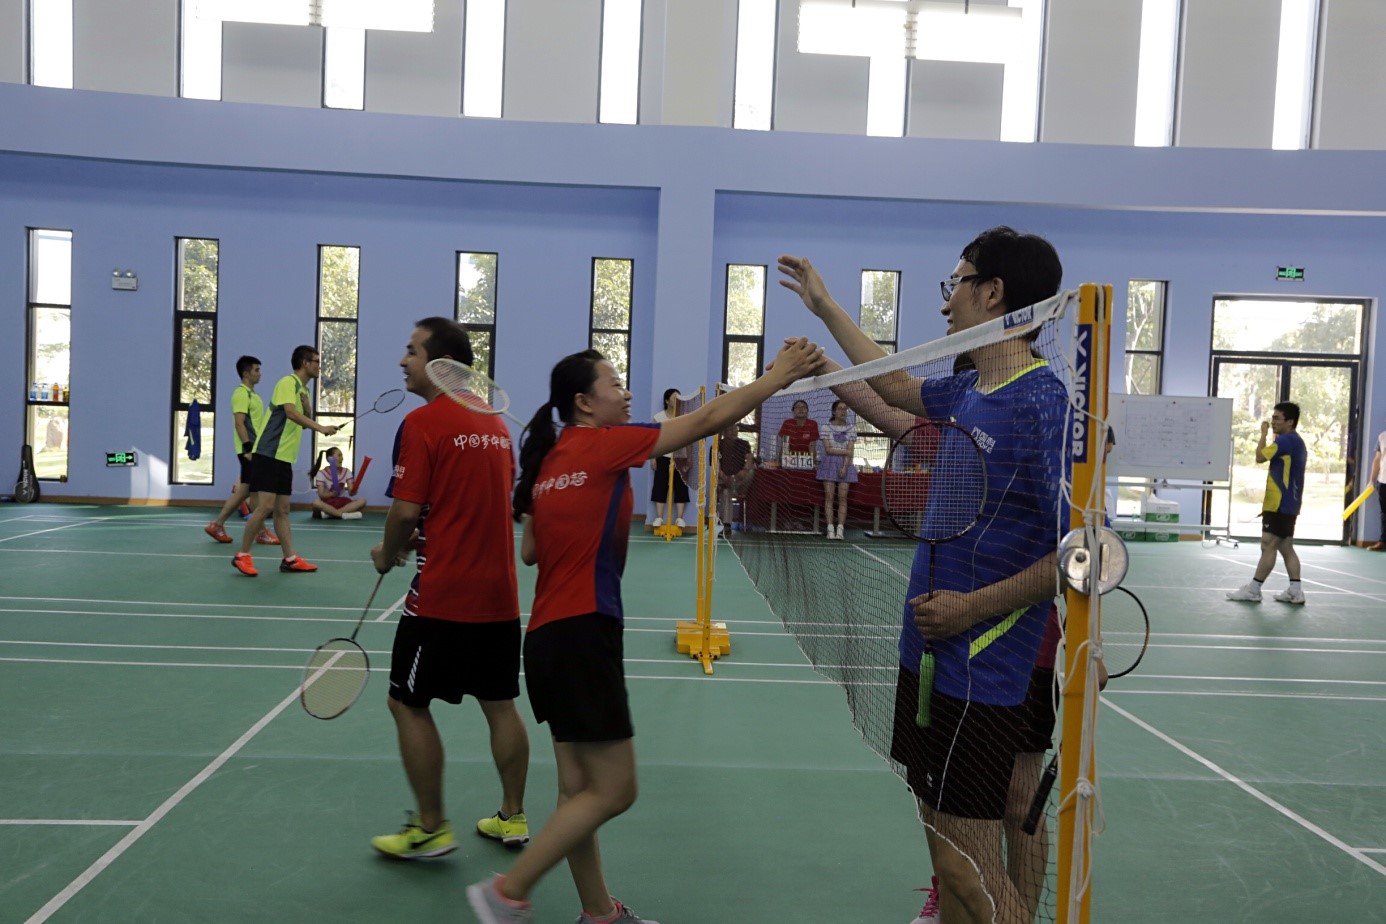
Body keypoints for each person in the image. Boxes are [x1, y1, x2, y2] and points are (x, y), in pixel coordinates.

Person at [466, 336, 822, 924]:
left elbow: (530, 553)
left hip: (547, 639)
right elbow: (706, 420)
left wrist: (549, 503)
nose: (626, 392)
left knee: (576, 790)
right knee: (614, 790)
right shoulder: (607, 445)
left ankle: (599, 915)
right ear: (585, 403)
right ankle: (507, 891)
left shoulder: (550, 461)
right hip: (584, 633)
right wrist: (777, 376)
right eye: (614, 383)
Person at [780, 226, 1068, 924]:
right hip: (931, 657)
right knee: (949, 857)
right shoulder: (970, 387)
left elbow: (1081, 552)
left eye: (955, 284)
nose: (946, 303)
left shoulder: (1042, 403)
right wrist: (826, 307)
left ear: (992, 294)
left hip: (983, 668)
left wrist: (971, 609)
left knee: (968, 866)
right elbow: (896, 384)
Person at [367, 317, 531, 861]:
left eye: (412, 351)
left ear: (440, 365)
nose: (402, 360)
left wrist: (389, 551)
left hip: (442, 596)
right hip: (499, 595)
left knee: (405, 702)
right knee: (500, 704)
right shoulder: (495, 426)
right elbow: (468, 507)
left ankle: (431, 827)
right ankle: (512, 816)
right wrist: (425, 534)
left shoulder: (422, 423)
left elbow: (404, 511)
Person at [232, 346, 340, 576]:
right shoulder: (287, 383)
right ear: (304, 363)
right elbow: (290, 413)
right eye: (316, 361)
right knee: (265, 507)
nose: (319, 366)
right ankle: (242, 555)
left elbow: (302, 420)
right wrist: (321, 427)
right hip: (268, 453)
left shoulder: (303, 390)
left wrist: (308, 407)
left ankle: (290, 559)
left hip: (284, 457)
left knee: (283, 510)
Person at [1226, 402, 1308, 604]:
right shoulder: (1295, 441)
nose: (1273, 422)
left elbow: (1260, 456)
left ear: (1290, 422)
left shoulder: (1286, 441)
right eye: (1272, 418)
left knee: (1268, 544)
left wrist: (1262, 434)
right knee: (1285, 546)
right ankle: (1295, 590)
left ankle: (1254, 590)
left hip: (1280, 504)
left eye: (1277, 418)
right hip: (1287, 504)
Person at [204, 355, 278, 546]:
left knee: (246, 490)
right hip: (249, 450)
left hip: (256, 448)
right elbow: (239, 423)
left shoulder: (254, 395)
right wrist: (248, 448)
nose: (260, 374)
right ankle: (260, 532)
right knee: (254, 492)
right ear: (246, 374)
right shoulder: (241, 394)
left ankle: (217, 525)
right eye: (256, 370)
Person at [649, 388, 690, 528]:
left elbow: (689, 438)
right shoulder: (658, 418)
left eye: (679, 397)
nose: (677, 400)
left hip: (680, 457)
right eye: (674, 398)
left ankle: (680, 518)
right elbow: (652, 439)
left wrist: (689, 457)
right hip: (663, 456)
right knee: (660, 485)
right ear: (667, 401)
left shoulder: (684, 417)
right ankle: (659, 518)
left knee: (681, 486)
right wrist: (653, 458)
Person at [817, 399, 857, 540]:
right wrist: (845, 451)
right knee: (829, 497)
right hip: (829, 464)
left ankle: (840, 529)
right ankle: (830, 529)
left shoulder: (851, 429)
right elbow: (828, 450)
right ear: (834, 412)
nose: (843, 411)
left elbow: (851, 451)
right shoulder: (826, 428)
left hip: (846, 465)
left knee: (842, 497)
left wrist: (845, 466)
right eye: (840, 409)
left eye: (845, 409)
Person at [715, 424, 755, 532]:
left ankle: (741, 492)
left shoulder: (744, 444)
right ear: (724, 432)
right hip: (725, 480)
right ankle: (726, 525)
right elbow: (715, 464)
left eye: (735, 429)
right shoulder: (718, 445)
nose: (733, 431)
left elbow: (749, 459)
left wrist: (744, 470)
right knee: (726, 492)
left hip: (739, 481)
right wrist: (723, 476)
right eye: (730, 429)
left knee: (751, 472)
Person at [311, 447, 366, 519]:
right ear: (329, 459)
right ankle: (343, 515)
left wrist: (353, 491)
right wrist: (331, 494)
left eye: (342, 456)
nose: (342, 458)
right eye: (339, 455)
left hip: (342, 503)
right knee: (316, 503)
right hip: (328, 504)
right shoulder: (321, 473)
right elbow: (321, 495)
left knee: (362, 501)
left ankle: (330, 514)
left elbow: (351, 493)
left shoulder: (347, 471)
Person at [776, 399, 819, 467]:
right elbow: (785, 446)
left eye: (803, 407)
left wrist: (812, 462)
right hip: (789, 460)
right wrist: (782, 462)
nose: (801, 409)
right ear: (793, 411)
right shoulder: (787, 423)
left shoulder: (812, 424)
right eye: (797, 407)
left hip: (806, 460)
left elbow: (812, 446)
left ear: (807, 411)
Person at [1369, 426, 1386, 551]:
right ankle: (1383, 541)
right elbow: (1377, 460)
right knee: (1384, 513)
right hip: (1383, 480)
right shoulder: (1382, 436)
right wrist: (1372, 480)